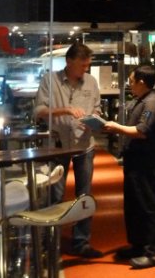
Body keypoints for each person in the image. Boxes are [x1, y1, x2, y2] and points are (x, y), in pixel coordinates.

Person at [34, 43, 103, 258]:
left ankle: (81, 242)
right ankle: (48, 243)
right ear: (69, 62)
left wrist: (94, 119)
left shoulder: (91, 82)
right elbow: (39, 110)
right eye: (82, 65)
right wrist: (64, 110)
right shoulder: (50, 80)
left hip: (84, 144)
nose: (86, 69)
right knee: (54, 194)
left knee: (84, 195)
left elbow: (97, 109)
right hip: (58, 145)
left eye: (87, 65)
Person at [104, 65, 155, 269]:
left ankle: (154, 252)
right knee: (134, 204)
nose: (129, 84)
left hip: (146, 162)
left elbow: (142, 131)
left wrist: (117, 128)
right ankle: (139, 245)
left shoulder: (152, 102)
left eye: (131, 81)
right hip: (135, 160)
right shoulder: (142, 100)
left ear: (141, 82)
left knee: (148, 205)